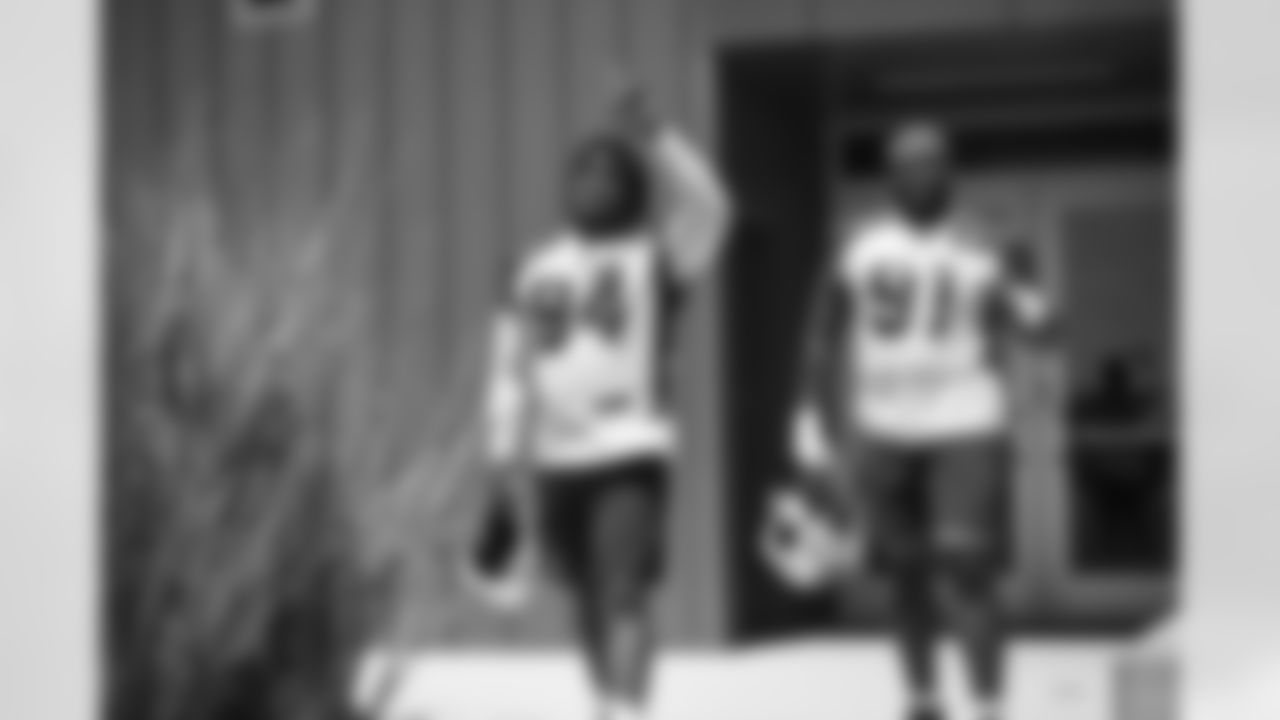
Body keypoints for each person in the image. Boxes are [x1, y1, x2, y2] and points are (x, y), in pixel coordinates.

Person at [479, 79, 732, 720]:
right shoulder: (528, 268)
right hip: (555, 457)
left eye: (608, 172)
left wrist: (655, 135)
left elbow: (711, 208)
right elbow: (507, 372)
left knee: (624, 592)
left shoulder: (656, 260)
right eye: (582, 172)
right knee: (586, 596)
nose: (592, 183)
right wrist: (500, 464)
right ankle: (606, 705)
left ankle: (628, 712)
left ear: (634, 187)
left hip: (629, 448)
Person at [788, 119, 1053, 720]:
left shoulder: (988, 243)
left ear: (951, 169)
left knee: (967, 572)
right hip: (884, 429)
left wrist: (1028, 293)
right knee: (905, 575)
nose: (921, 172)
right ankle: (922, 701)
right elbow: (822, 333)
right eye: (908, 162)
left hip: (966, 425)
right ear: (890, 174)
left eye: (932, 160)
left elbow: (1043, 333)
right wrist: (807, 412)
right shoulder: (857, 245)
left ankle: (988, 707)